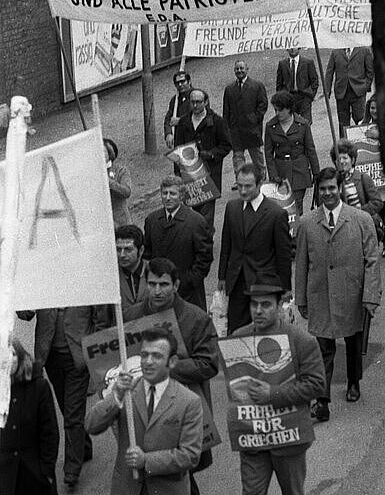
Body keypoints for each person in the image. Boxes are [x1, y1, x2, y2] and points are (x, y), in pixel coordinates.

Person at [124, 258, 219, 495]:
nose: (157, 291)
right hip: (144, 412)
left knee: (179, 470)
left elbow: (209, 364)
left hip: (181, 411)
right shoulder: (130, 317)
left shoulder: (196, 318)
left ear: (176, 285)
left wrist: (165, 368)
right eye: (152, 284)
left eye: (164, 284)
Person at [295, 167, 382, 422]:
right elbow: (301, 263)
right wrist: (301, 298)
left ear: (340, 188)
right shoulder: (307, 223)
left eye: (332, 187)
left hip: (352, 294)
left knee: (353, 343)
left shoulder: (361, 219)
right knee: (323, 349)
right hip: (320, 294)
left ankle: (354, 381)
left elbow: (372, 260)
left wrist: (370, 296)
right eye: (322, 189)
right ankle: (322, 401)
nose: (328, 193)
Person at [233, 273, 326, 495]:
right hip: (253, 438)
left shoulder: (301, 340)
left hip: (288, 436)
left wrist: (273, 394)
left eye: (266, 305)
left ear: (279, 305)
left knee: (292, 492)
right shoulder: (239, 338)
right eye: (254, 304)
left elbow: (316, 384)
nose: (258, 310)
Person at [85, 327, 203, 495]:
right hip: (127, 488)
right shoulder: (126, 391)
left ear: (172, 361)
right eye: (144, 355)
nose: (148, 361)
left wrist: (146, 461)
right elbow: (91, 425)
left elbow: (190, 456)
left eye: (156, 356)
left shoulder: (189, 401)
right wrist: (115, 396)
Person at [17, 305, 99, 490]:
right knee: (67, 406)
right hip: (50, 356)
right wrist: (26, 304)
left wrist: (94, 352)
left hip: (78, 358)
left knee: (72, 413)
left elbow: (100, 318)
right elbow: (25, 314)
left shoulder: (84, 281)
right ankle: (83, 446)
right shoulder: (45, 280)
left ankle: (71, 471)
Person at [218, 162, 292, 334]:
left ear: (259, 185)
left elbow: (283, 255)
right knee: (235, 334)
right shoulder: (232, 208)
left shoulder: (276, 214)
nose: (243, 191)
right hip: (237, 283)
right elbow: (226, 244)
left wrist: (286, 288)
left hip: (263, 284)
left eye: (248, 186)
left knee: (265, 334)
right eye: (239, 186)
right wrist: (222, 276)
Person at [144, 175, 213, 311]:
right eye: (165, 193)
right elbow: (147, 252)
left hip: (188, 294)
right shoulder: (152, 220)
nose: (168, 197)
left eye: (172, 193)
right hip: (160, 293)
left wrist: (188, 281)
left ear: (181, 196)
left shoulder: (196, 222)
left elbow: (205, 258)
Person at [0, 339, 59, 495]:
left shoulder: (38, 387)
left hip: (35, 475)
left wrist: (47, 471)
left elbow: (49, 432)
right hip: (5, 478)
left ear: (20, 356)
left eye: (13, 353)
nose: (9, 359)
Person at [175, 88, 231, 232]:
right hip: (189, 176)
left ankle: (205, 242)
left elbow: (226, 145)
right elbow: (178, 147)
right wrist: (178, 174)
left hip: (209, 176)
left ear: (206, 102)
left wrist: (212, 154)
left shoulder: (217, 121)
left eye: (198, 102)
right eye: (192, 102)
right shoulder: (183, 122)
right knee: (192, 214)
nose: (194, 105)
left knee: (206, 216)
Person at [264, 91, 320, 216]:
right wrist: (273, 175)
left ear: (289, 109)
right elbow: (268, 153)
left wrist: (317, 173)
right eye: (275, 110)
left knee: (297, 206)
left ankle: (298, 233)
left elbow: (310, 149)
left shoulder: (303, 124)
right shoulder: (270, 126)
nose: (277, 113)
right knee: (282, 208)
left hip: (299, 171)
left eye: (280, 110)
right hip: (281, 172)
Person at [223, 60, 268, 189]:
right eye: (237, 69)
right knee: (237, 157)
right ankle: (240, 180)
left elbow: (263, 104)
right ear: (234, 71)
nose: (239, 71)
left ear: (247, 69)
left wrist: (255, 118)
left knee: (256, 154)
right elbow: (226, 110)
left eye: (242, 68)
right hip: (235, 129)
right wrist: (227, 127)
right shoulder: (229, 89)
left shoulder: (257, 85)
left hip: (252, 128)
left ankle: (261, 177)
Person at [97, 225, 149, 328]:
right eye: (118, 249)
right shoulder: (109, 276)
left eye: (128, 250)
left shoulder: (155, 271)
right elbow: (102, 319)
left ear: (141, 250)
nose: (122, 255)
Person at [325, 46, 374, 137]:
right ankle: (344, 145)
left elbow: (370, 71)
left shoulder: (364, 50)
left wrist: (365, 87)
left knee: (360, 118)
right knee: (343, 122)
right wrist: (327, 91)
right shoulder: (335, 52)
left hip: (358, 92)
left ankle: (362, 141)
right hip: (341, 92)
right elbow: (329, 72)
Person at [276, 47, 319, 123]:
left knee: (306, 123)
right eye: (290, 47)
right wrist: (282, 97)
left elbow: (314, 81)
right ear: (287, 49)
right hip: (289, 98)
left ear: (299, 48)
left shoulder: (308, 62)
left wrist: (310, 95)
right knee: (291, 123)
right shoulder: (282, 64)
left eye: (294, 46)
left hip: (304, 97)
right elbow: (279, 84)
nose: (292, 49)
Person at [104, 138, 132, 228]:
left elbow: (126, 192)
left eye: (103, 151)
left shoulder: (121, 170)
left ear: (110, 154)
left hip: (120, 221)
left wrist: (109, 182)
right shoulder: (92, 172)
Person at [164, 71, 193, 150]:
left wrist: (180, 120)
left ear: (189, 81)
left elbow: (199, 116)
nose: (180, 85)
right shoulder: (175, 100)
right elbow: (168, 118)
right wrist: (168, 133)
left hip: (194, 137)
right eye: (177, 83)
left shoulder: (197, 96)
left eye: (183, 81)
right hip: (180, 139)